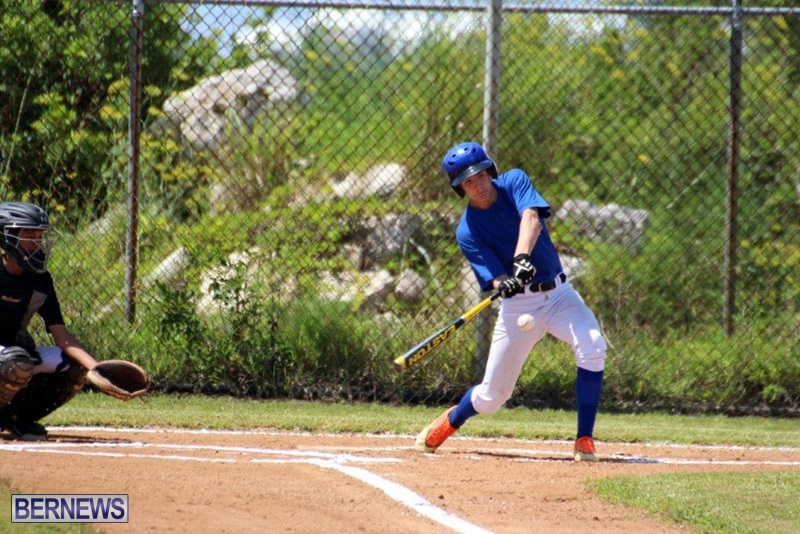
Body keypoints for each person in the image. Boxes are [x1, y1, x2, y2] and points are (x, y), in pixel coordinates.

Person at [415, 142, 607, 461]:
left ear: (489, 171)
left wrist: (520, 258)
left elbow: (531, 218)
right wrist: (505, 283)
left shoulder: (514, 180)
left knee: (593, 345)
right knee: (492, 397)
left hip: (560, 295)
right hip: (520, 307)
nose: (477, 184)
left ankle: (584, 439)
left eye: (479, 175)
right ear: (460, 188)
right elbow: (494, 277)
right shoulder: (467, 231)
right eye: (467, 181)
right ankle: (452, 420)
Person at [0, 201, 99, 441]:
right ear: (7, 238)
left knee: (74, 365)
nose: (37, 244)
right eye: (29, 236)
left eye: (39, 237)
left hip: (11, 353)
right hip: (8, 358)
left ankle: (17, 419)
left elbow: (62, 336)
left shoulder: (40, 280)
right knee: (14, 362)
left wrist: (98, 370)